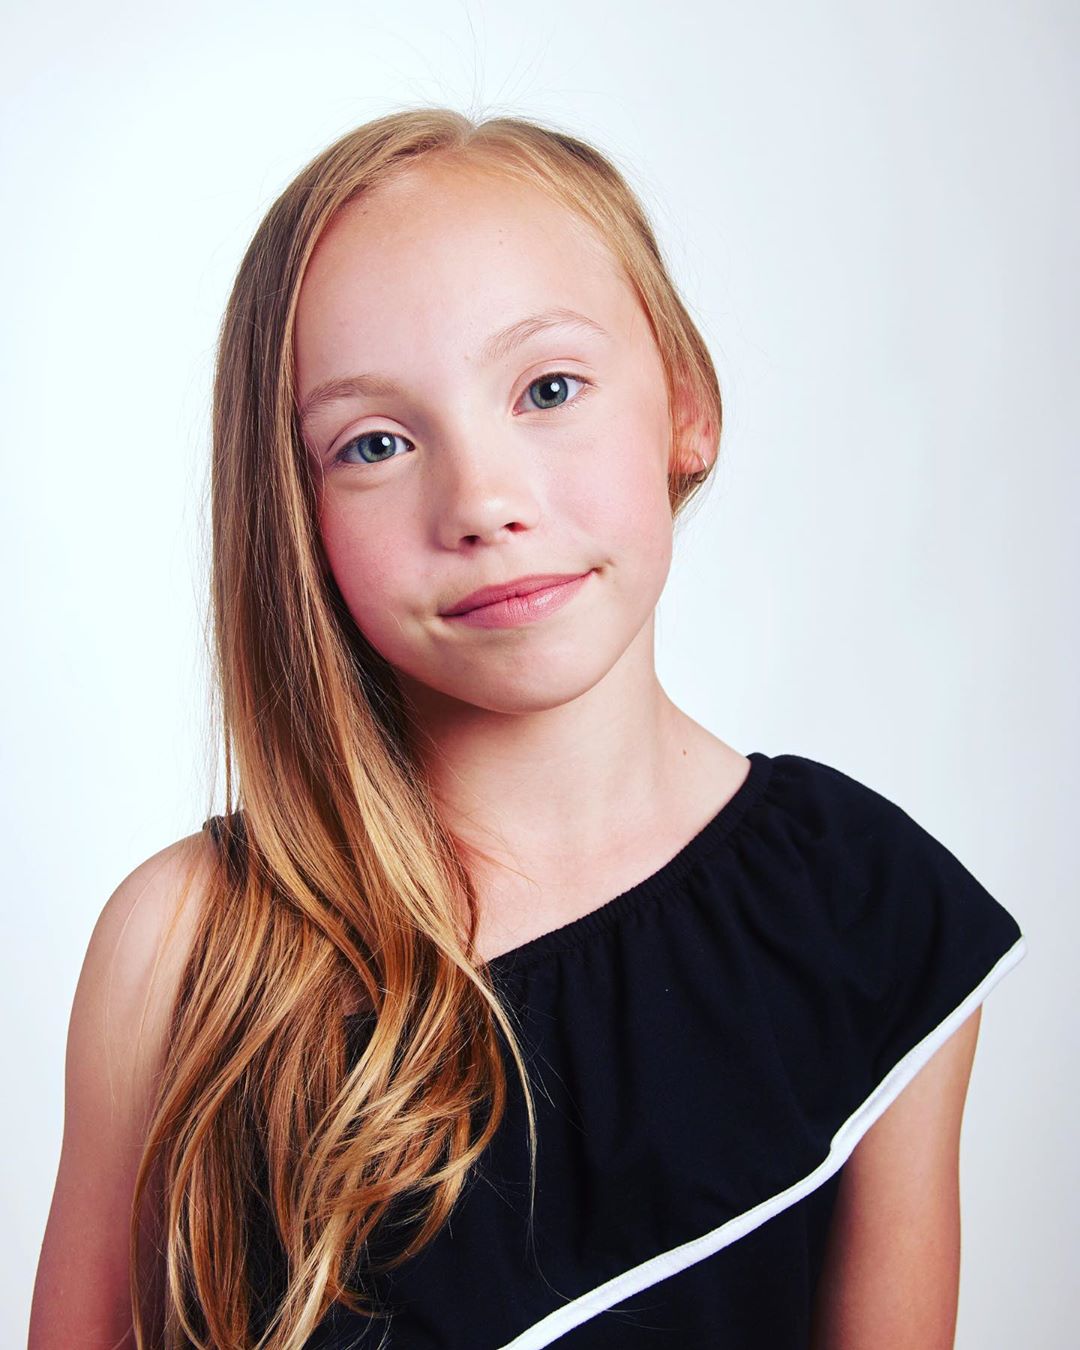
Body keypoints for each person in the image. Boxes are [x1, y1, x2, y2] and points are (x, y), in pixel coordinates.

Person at [29, 108, 1028, 1350]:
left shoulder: (870, 909)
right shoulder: (187, 947)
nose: (482, 501)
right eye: (375, 444)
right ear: (297, 515)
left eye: (549, 389)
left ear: (686, 404)